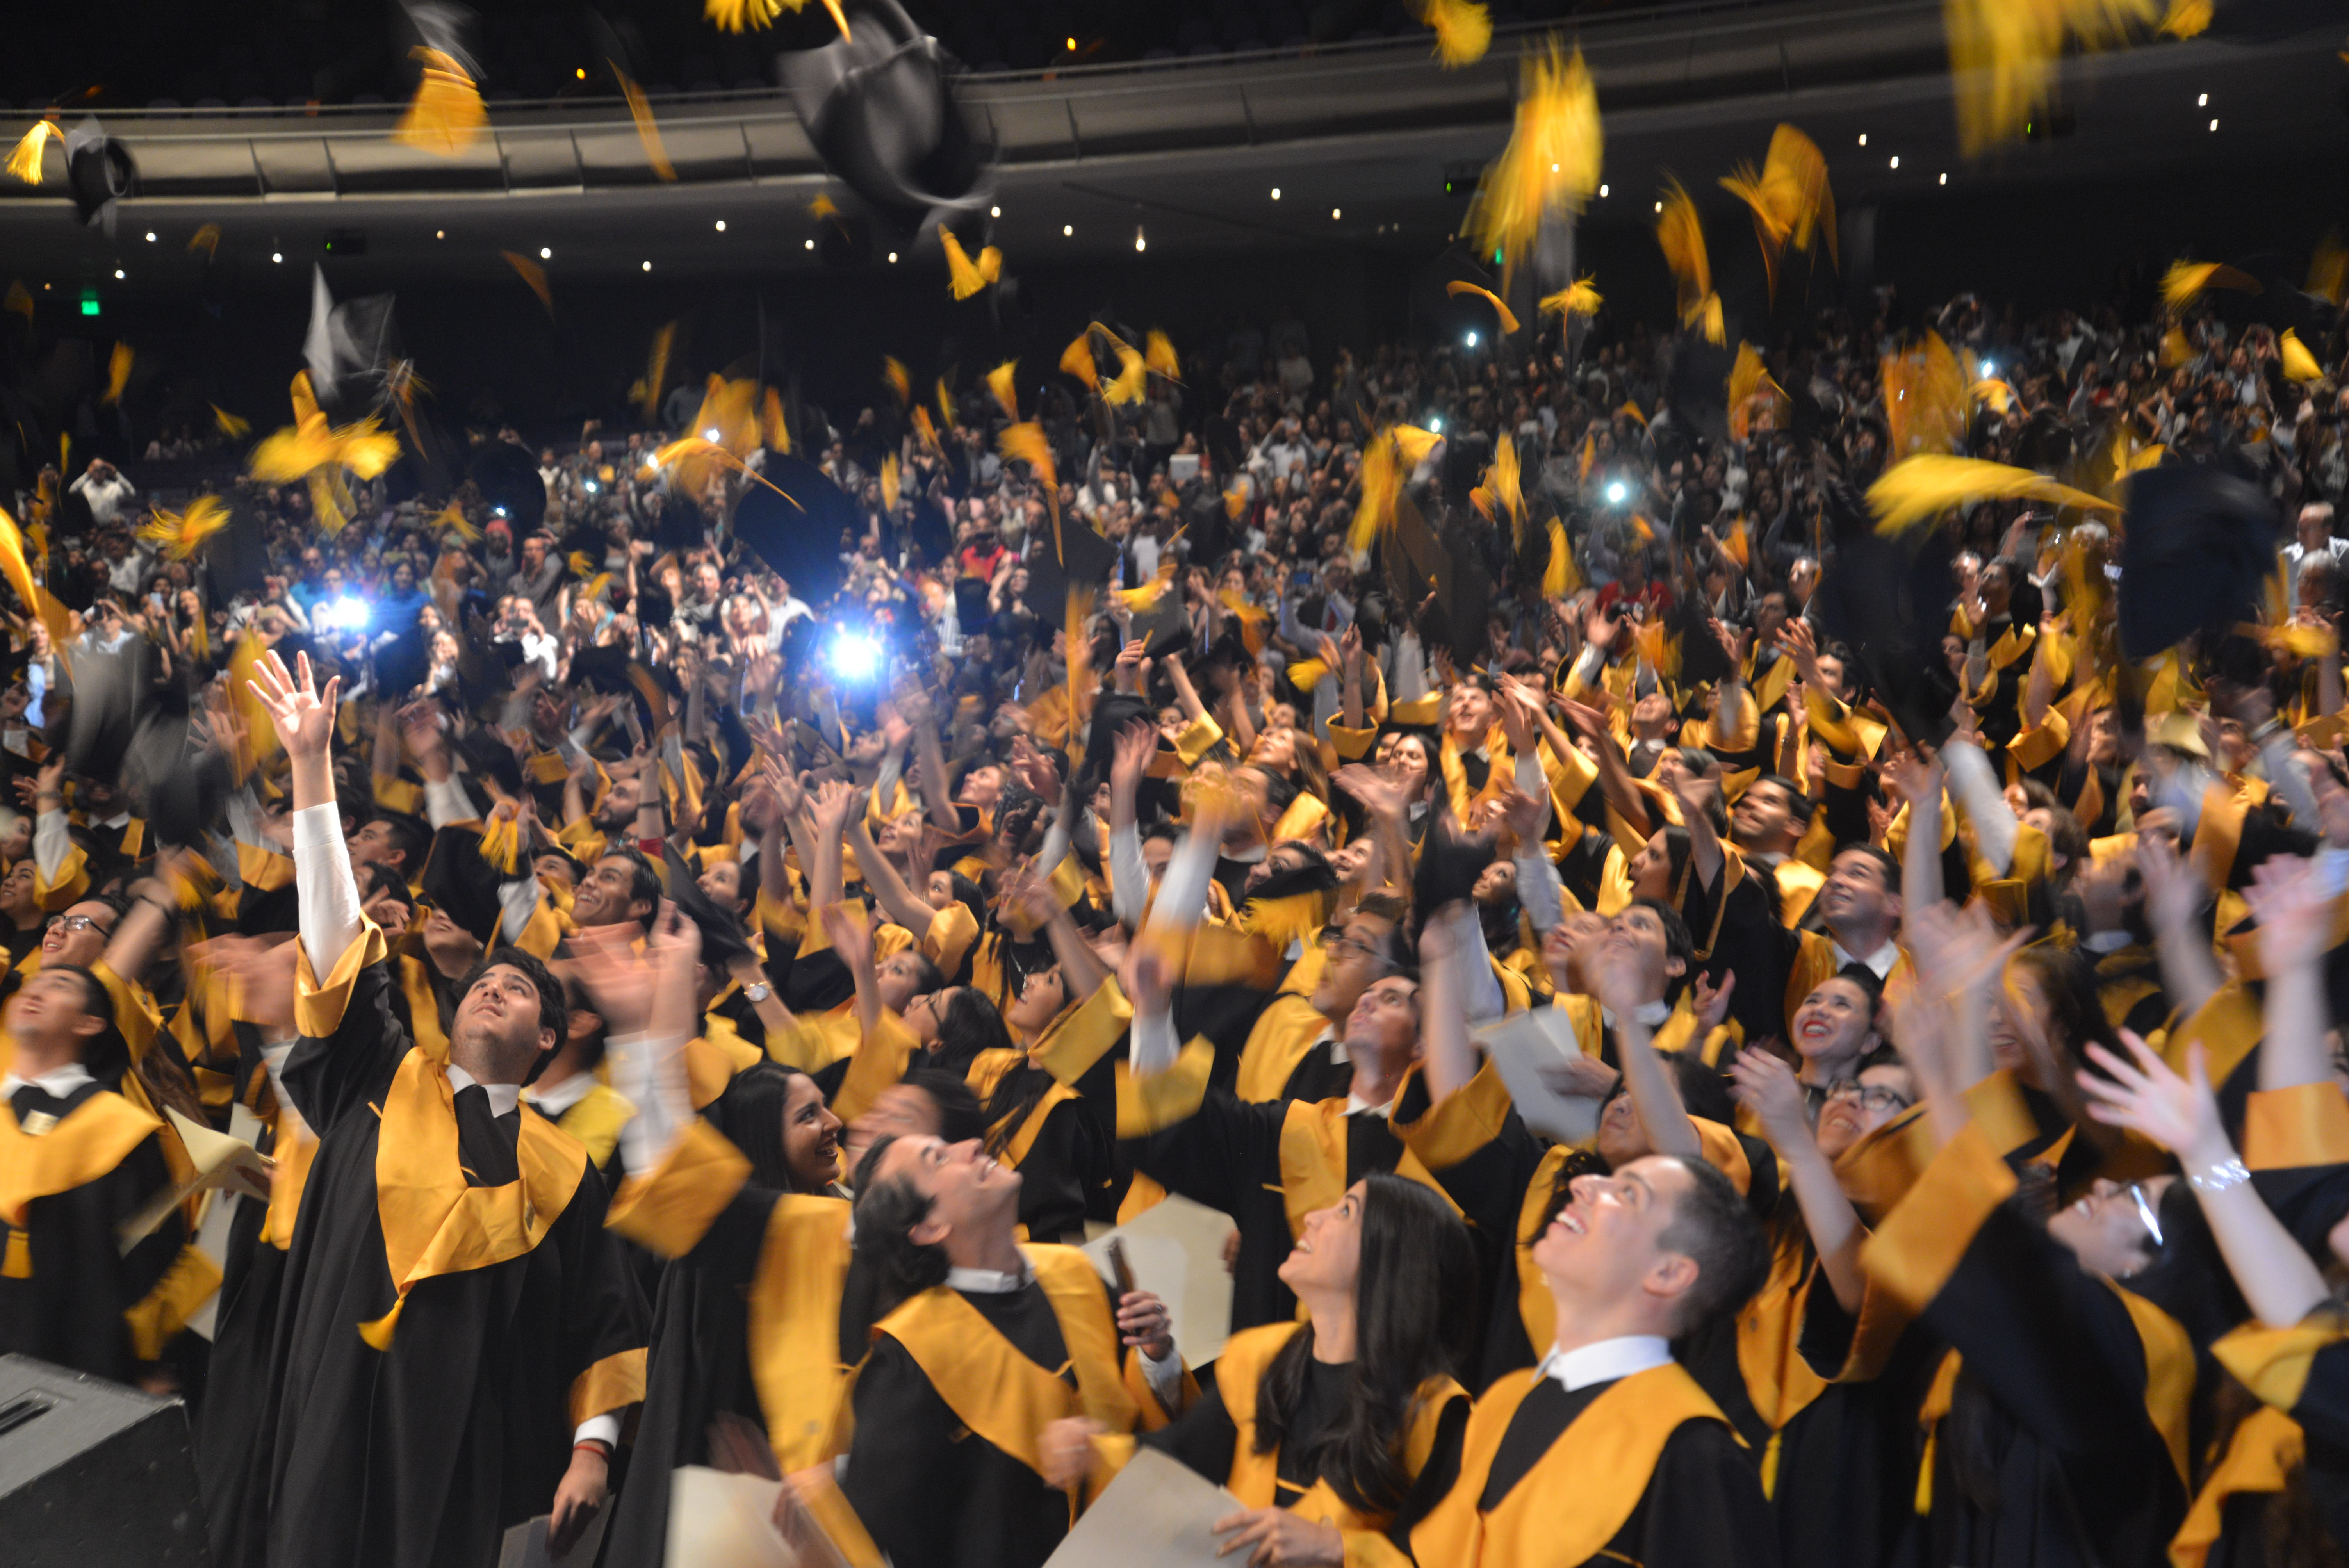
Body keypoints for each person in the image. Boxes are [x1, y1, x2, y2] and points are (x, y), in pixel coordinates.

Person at [241, 650, 647, 1568]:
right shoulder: (381, 1073)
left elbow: (603, 1318)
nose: (493, 987)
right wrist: (312, 769)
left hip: (459, 1443)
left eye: (519, 987)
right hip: (333, 1394)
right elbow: (336, 940)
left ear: (551, 1039)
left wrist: (593, 1448)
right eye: (484, 980)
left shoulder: (567, 1170)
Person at [835, 1126, 1190, 1568]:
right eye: (939, 1159)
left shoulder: (1074, 1271)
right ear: (928, 1226)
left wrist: (1158, 1357)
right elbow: (886, 1529)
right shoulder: (909, 1357)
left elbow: (1156, 1423)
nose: (973, 1143)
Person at [1408, 1152, 1776, 1568]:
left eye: (1627, 1193)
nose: (1584, 1184)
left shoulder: (1693, 1458)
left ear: (1669, 1273)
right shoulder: (1499, 1406)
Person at [1139, 1174, 1478, 1564]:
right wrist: (1093, 1452)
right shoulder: (1260, 1356)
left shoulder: (1437, 1415)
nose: (1314, 1217)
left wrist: (1337, 1548)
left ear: (1393, 1260)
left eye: (1346, 1210)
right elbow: (1177, 1459)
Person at [0, 962, 191, 1382]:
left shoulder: (118, 1128)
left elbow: (154, 1260)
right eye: (32, 983)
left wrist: (156, 1365)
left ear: (90, 1023)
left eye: (59, 985)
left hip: (83, 1370)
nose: (35, 991)